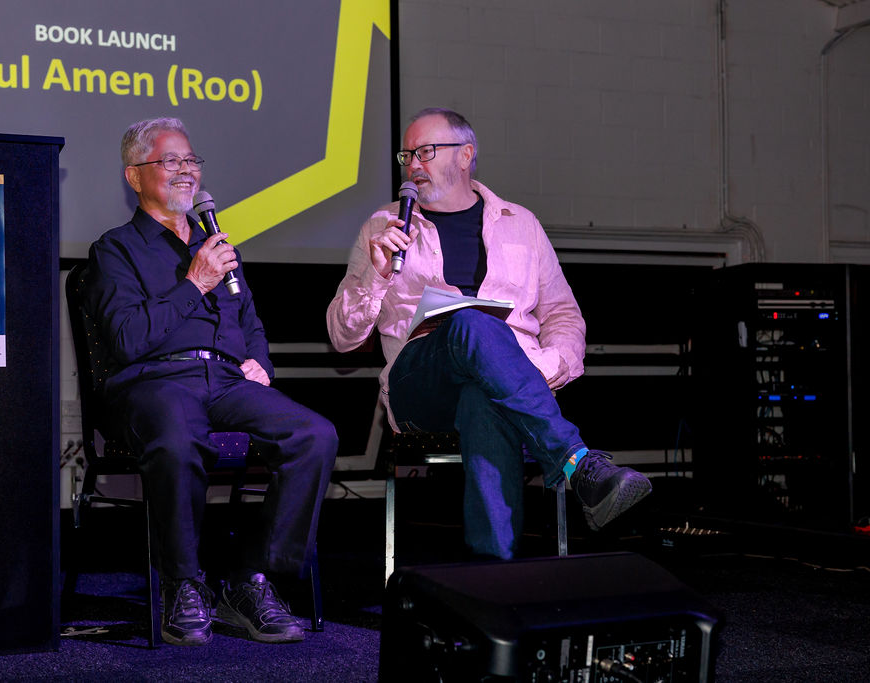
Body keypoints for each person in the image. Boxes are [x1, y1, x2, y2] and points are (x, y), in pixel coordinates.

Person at [327, 107, 651, 561]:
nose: (413, 164)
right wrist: (376, 275)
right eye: (407, 155)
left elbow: (562, 314)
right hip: (419, 383)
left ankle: (494, 573)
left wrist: (547, 365)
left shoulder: (521, 224)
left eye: (425, 152)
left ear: (465, 156)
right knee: (471, 322)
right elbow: (341, 336)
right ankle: (578, 463)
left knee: (483, 398)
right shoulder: (383, 226)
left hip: (503, 384)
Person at [84, 116, 337, 646]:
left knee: (314, 434)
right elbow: (127, 340)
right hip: (154, 381)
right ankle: (182, 582)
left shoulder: (217, 246)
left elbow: (250, 323)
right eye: (169, 160)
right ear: (134, 176)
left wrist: (260, 363)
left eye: (191, 160)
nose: (186, 170)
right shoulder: (115, 250)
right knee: (178, 436)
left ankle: (250, 580)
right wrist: (194, 282)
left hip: (225, 380)